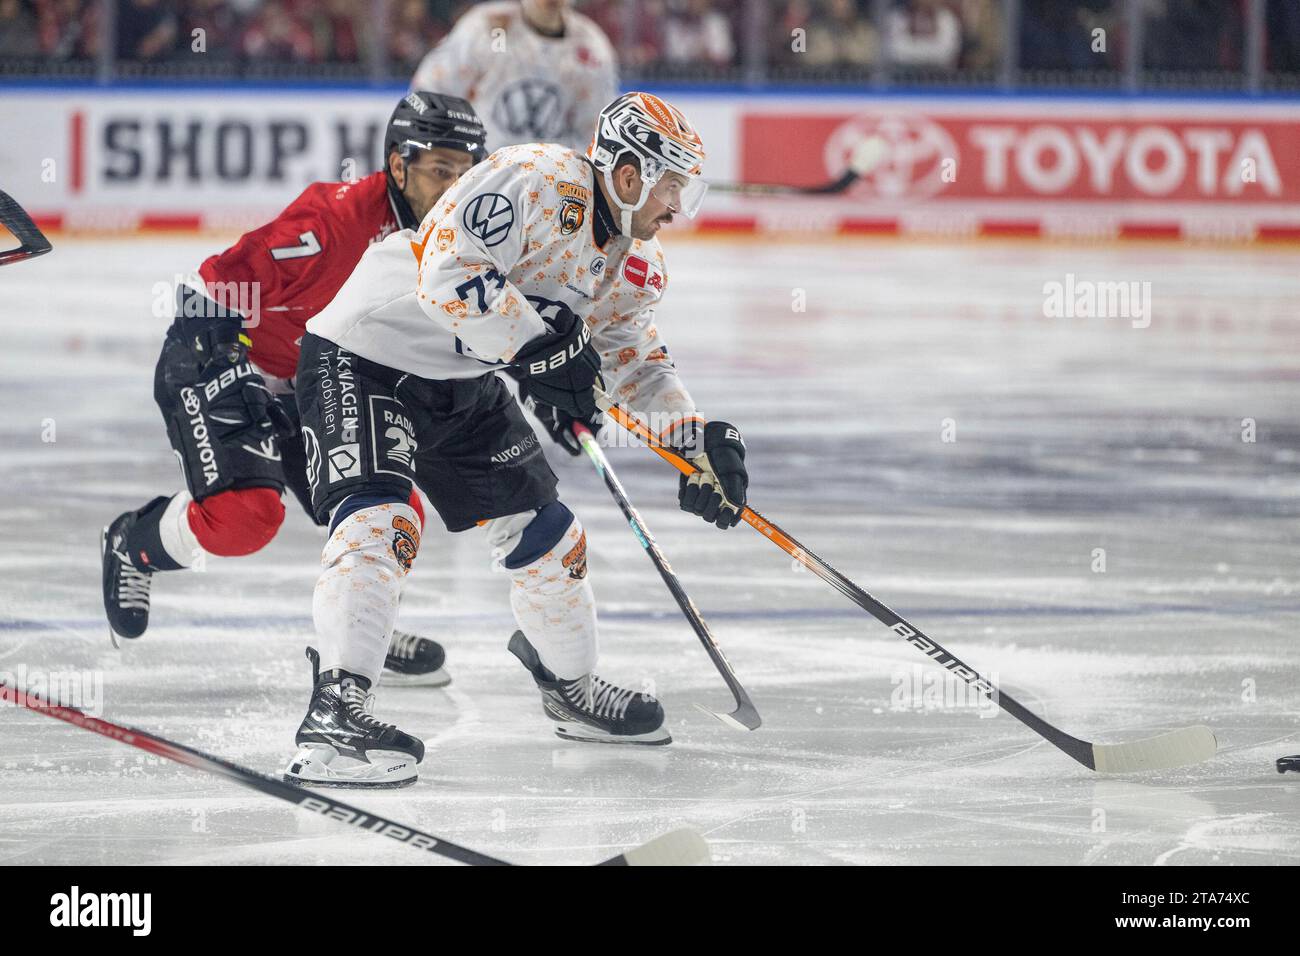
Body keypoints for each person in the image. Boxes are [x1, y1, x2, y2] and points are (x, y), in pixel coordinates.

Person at [283, 92, 751, 788]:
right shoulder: (534, 179)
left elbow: (631, 356)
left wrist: (694, 441)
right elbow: (445, 274)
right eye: (672, 185)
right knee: (383, 522)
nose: (678, 206)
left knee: (552, 540)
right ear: (628, 174)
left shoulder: (637, 261)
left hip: (463, 377)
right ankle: (334, 716)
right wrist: (542, 351)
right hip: (365, 352)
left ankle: (571, 690)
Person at [100, 92, 489, 688]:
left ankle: (359, 630)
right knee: (245, 519)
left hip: (313, 376)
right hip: (221, 354)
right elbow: (214, 283)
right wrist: (236, 373)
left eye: (466, 172)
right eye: (441, 170)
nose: (454, 187)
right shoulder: (333, 221)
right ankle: (136, 543)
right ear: (398, 165)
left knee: (393, 508)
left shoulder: (459, 239)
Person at [411, 0, 618, 153]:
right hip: (479, 169)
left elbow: (593, 131)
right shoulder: (490, 28)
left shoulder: (590, 49)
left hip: (550, 182)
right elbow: (432, 89)